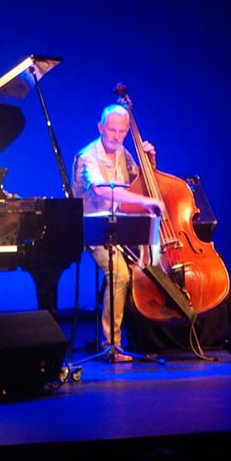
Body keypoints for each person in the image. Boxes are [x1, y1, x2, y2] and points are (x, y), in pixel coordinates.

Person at [72, 104, 165, 362]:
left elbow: (143, 184)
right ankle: (112, 345)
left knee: (150, 266)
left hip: (122, 226)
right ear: (100, 128)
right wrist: (146, 203)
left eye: (121, 132)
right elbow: (101, 190)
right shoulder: (88, 155)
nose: (116, 136)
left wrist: (150, 162)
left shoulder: (124, 153)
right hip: (94, 229)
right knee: (120, 274)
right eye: (112, 130)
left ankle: (149, 336)